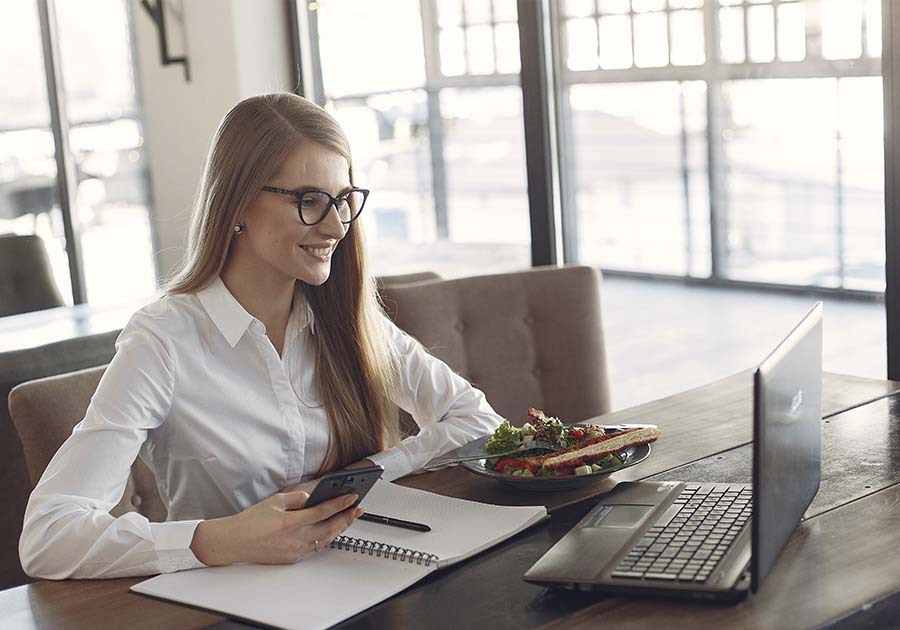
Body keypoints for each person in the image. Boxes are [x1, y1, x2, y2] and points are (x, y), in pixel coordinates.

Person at [19, 93, 502, 579]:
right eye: (310, 201)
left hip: (356, 577)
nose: (336, 225)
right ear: (238, 204)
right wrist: (225, 537)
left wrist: (359, 477)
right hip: (230, 601)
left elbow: (477, 422)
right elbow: (49, 536)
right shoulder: (162, 340)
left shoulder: (345, 318)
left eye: (342, 200)